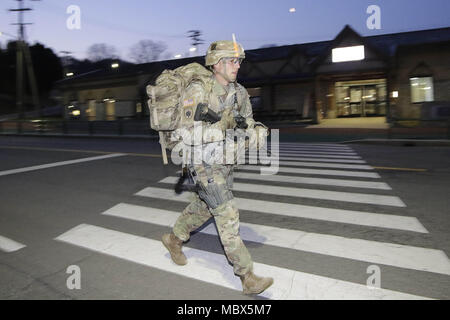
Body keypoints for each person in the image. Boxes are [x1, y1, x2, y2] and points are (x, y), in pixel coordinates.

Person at [161, 40, 274, 295]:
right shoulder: (198, 92)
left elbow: (246, 121)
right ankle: (247, 277)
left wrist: (256, 131)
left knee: (204, 208)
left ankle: (174, 239)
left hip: (225, 161)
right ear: (216, 64)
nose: (237, 66)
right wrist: (231, 138)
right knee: (226, 212)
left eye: (239, 61)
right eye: (231, 61)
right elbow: (189, 135)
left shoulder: (240, 92)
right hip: (202, 162)